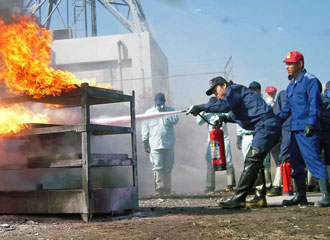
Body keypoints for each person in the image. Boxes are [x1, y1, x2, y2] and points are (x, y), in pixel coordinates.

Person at [187, 76, 281, 208]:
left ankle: (239, 198)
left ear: (224, 85)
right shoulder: (236, 94)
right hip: (265, 126)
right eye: (213, 93)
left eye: (216, 90)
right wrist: (224, 118)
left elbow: (224, 105)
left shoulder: (232, 90)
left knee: (252, 160)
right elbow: (236, 114)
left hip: (267, 125)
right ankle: (259, 197)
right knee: (256, 161)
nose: (216, 94)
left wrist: (201, 107)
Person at [279, 51, 330, 207]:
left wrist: (312, 124)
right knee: (296, 162)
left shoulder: (311, 80)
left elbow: (314, 104)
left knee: (313, 160)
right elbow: (287, 108)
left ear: (300, 64)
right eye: (286, 63)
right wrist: (275, 120)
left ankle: (326, 196)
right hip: (294, 129)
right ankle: (300, 195)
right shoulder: (291, 85)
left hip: (307, 129)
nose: (287, 66)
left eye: (291, 63)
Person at [141, 93, 179, 196]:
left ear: (164, 101)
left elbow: (175, 120)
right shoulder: (148, 113)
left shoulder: (171, 110)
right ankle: (159, 189)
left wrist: (166, 114)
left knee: (168, 167)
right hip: (155, 144)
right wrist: (145, 142)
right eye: (158, 104)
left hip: (168, 143)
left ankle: (167, 188)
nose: (160, 106)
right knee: (157, 167)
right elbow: (145, 129)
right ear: (155, 102)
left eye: (161, 103)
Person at [197, 97, 236, 194]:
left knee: (228, 160)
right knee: (210, 161)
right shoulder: (207, 113)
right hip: (212, 140)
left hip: (224, 139)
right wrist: (201, 110)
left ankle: (230, 185)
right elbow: (199, 122)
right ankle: (210, 186)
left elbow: (231, 115)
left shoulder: (223, 111)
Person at [268, 81, 292, 196]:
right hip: (285, 128)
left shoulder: (302, 93)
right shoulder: (283, 94)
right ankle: (281, 186)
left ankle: (281, 186)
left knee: (286, 157)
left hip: (295, 128)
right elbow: (277, 113)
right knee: (283, 156)